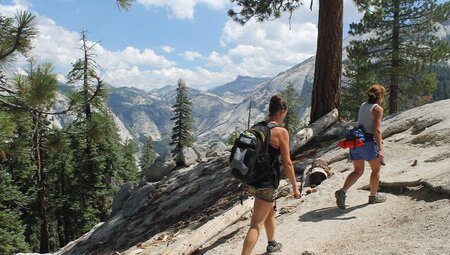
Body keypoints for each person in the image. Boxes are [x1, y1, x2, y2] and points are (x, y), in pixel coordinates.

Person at [241, 95, 301, 255]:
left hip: (251, 179)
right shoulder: (281, 132)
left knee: (268, 210)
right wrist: (295, 187)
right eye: (285, 113)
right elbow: (287, 163)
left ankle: (272, 243)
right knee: (256, 224)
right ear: (282, 112)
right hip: (266, 182)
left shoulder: (257, 127)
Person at [335, 84, 387, 209]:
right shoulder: (377, 109)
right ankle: (373, 196)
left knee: (358, 171)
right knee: (376, 169)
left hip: (356, 141)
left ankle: (343, 191)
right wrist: (380, 148)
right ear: (380, 96)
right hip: (368, 142)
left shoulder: (364, 105)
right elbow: (377, 130)